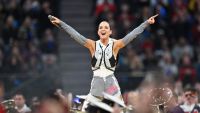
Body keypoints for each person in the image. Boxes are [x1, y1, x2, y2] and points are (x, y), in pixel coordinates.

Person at [48, 14, 158, 111]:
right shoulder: (92, 45)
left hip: (111, 83)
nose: (103, 29)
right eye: (101, 27)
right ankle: (67, 103)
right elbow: (75, 35)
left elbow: (132, 35)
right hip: (97, 83)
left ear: (110, 31)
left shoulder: (116, 45)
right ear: (98, 32)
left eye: (106, 27)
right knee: (80, 107)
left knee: (120, 108)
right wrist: (61, 23)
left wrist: (146, 23)